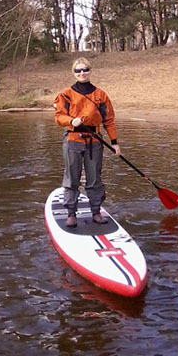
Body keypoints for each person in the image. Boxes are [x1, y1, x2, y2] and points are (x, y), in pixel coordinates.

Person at [53, 58, 121, 228]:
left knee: (95, 178)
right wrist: (71, 120)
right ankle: (71, 213)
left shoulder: (101, 95)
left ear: (90, 71)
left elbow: (109, 120)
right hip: (72, 140)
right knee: (72, 178)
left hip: (95, 141)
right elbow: (59, 117)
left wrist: (114, 142)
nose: (82, 73)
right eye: (78, 70)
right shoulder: (65, 94)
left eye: (85, 69)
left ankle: (96, 211)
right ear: (74, 73)